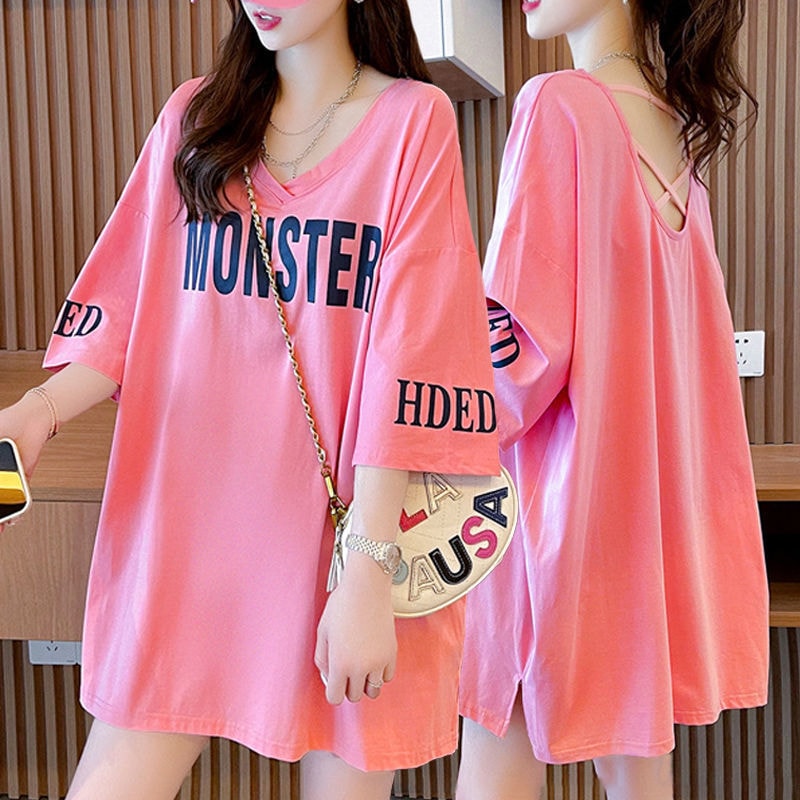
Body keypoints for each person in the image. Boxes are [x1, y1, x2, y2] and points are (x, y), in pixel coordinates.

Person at [0, 1, 500, 798]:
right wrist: (39, 411)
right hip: (187, 533)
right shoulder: (197, 117)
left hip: (343, 545)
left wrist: (368, 573)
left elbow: (410, 359)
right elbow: (133, 304)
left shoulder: (413, 122)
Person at [456, 1, 769, 798]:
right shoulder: (673, 135)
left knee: (498, 756)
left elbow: (517, 353)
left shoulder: (559, 103)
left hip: (553, 516)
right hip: (650, 529)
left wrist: (428, 416)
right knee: (637, 768)